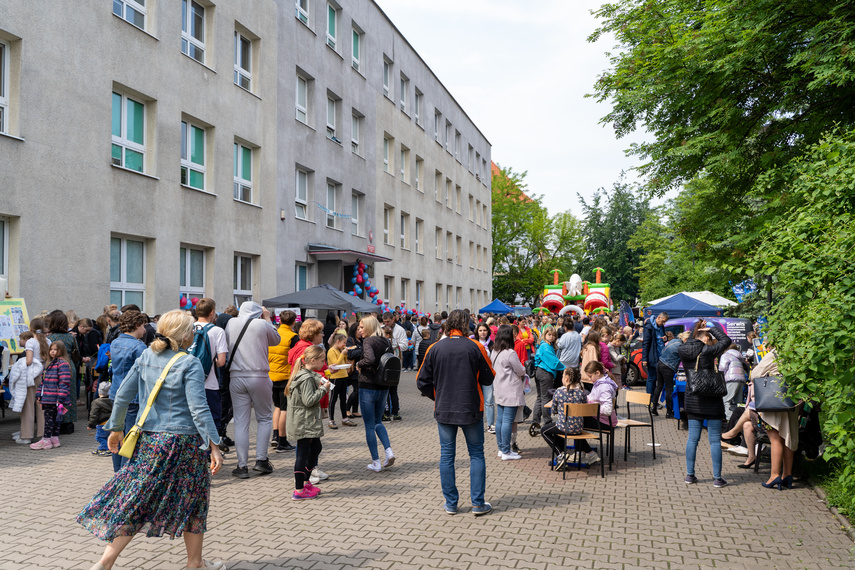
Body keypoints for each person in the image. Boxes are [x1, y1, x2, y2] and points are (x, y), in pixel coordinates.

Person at [77, 310, 224, 570]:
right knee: (194, 501)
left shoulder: (147, 356)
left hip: (150, 442)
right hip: (184, 444)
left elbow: (122, 394)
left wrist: (116, 428)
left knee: (137, 500)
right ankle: (194, 564)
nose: (193, 334)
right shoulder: (189, 363)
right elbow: (199, 410)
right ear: (184, 335)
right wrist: (215, 445)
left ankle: (104, 562)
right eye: (191, 330)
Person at [417, 309, 496, 516]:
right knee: (476, 454)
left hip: (444, 408)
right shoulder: (476, 347)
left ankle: (451, 503)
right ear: (465, 325)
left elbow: (421, 381)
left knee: (446, 456)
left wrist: (437, 396)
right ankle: (478, 503)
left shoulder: (434, 348)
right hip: (471, 407)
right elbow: (489, 378)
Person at [225, 301, 281, 479]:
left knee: (241, 421)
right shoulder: (262, 324)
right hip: (259, 375)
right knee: (264, 418)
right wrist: (267, 317)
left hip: (236, 376)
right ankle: (261, 460)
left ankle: (242, 466)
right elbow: (276, 340)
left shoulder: (231, 323)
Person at [678, 319, 731, 488]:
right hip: (712, 399)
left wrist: (698, 329)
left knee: (693, 439)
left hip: (693, 398)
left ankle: (690, 475)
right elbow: (726, 341)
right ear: (706, 338)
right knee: (714, 440)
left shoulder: (683, 350)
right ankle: (717, 478)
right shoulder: (708, 351)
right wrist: (712, 328)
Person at [286, 345, 332, 500]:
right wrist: (323, 390)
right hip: (303, 421)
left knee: (316, 447)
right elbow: (308, 400)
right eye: (322, 360)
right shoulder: (305, 378)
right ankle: (299, 490)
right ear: (313, 360)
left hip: (306, 420)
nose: (323, 363)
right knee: (302, 454)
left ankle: (305, 483)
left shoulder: (306, 374)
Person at [752, 350, 799, 490]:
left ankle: (774, 475)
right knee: (788, 436)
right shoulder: (798, 352)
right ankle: (787, 475)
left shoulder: (775, 354)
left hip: (774, 402)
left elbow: (755, 374)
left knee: (775, 439)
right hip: (791, 402)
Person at [109, 310, 149, 472]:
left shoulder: (115, 342)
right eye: (144, 326)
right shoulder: (139, 347)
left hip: (116, 393)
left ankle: (117, 471)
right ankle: (127, 473)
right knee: (131, 438)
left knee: (117, 433)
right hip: (134, 396)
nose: (145, 330)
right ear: (137, 325)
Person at [355, 316, 396, 472]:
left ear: (369, 327)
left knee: (369, 425)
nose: (359, 330)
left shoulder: (368, 342)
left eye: (361, 327)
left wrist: (359, 364)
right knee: (378, 421)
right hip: (383, 386)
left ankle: (376, 462)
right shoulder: (385, 341)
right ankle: (388, 450)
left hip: (368, 386)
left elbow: (369, 359)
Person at [542, 367, 595, 468]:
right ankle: (563, 456)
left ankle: (561, 454)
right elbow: (585, 407)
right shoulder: (581, 393)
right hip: (579, 428)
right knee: (557, 429)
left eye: (562, 376)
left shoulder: (559, 392)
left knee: (544, 431)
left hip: (564, 427)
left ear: (566, 379)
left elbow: (554, 410)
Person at [193, 299, 228, 449]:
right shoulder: (217, 331)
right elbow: (221, 361)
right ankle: (208, 452)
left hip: (188, 382)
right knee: (211, 420)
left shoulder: (188, 327)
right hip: (209, 383)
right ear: (212, 312)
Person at [489, 325, 525, 460]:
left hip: (499, 389)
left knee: (500, 420)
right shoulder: (510, 353)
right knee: (507, 422)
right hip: (510, 391)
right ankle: (506, 451)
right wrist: (524, 370)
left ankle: (501, 448)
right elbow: (520, 370)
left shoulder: (494, 351)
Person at [29, 340, 73, 450]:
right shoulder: (49, 364)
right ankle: (54, 438)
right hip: (49, 397)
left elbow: (64, 382)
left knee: (51, 419)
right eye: (51, 349)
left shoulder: (62, 364)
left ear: (61, 351)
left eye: (55, 350)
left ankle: (46, 439)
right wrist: (39, 394)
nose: (52, 352)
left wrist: (60, 398)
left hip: (55, 398)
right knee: (54, 418)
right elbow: (43, 382)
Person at [13, 319, 50, 445]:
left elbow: (28, 361)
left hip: (32, 376)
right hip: (45, 375)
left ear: (31, 328)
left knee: (28, 406)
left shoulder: (31, 342)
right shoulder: (48, 341)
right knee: (42, 407)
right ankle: (43, 434)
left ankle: (27, 436)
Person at [269, 310, 298, 453]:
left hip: (271, 375)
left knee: (277, 407)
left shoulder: (273, 333)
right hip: (285, 376)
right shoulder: (293, 337)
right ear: (294, 322)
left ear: (280, 320)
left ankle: (275, 435)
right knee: (285, 408)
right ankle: (282, 440)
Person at [46, 310, 81, 427]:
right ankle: (68, 422)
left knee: (55, 396)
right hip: (69, 367)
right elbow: (77, 355)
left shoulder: (50, 338)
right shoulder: (71, 337)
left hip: (54, 369)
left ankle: (57, 422)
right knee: (69, 396)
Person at [532, 326, 564, 429]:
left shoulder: (544, 345)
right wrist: (565, 368)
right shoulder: (545, 346)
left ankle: (536, 421)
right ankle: (547, 422)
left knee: (540, 398)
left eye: (553, 335)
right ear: (545, 334)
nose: (551, 337)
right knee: (545, 398)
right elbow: (554, 363)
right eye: (549, 335)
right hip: (545, 373)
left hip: (540, 372)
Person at [653, 331, 688, 417]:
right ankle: (669, 412)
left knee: (659, 386)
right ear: (686, 339)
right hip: (668, 368)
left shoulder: (673, 341)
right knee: (669, 390)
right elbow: (685, 360)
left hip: (660, 363)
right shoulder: (681, 346)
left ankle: (653, 408)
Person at [327, 331, 356, 428]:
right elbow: (336, 364)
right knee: (333, 399)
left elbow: (343, 361)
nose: (345, 345)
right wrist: (343, 354)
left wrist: (346, 354)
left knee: (343, 399)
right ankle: (331, 420)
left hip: (344, 376)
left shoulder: (340, 350)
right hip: (335, 377)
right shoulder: (332, 351)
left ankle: (345, 418)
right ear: (338, 341)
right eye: (344, 342)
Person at [382, 312, 408, 421]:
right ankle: (388, 410)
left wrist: (393, 345)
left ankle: (394, 411)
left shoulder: (400, 330)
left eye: (388, 321)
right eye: (384, 322)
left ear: (393, 319)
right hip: (384, 364)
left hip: (395, 364)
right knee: (386, 389)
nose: (386, 323)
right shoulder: (381, 329)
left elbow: (405, 345)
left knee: (393, 389)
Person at [472, 323, 495, 433]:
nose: (482, 332)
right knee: (476, 400)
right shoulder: (473, 343)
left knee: (489, 401)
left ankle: (490, 425)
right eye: (480, 330)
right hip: (475, 375)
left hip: (487, 376)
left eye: (484, 330)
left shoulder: (492, 344)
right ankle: (477, 424)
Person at [641, 312, 669, 395]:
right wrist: (644, 359)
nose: (663, 323)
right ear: (659, 317)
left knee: (658, 379)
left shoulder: (661, 327)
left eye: (665, 322)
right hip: (652, 356)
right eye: (663, 321)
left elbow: (664, 338)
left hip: (661, 357)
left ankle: (654, 400)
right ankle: (649, 400)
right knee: (651, 378)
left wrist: (665, 338)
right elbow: (646, 343)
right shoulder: (649, 327)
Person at [719, 343, 749, 419]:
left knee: (726, 400)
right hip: (741, 379)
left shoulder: (725, 355)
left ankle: (729, 419)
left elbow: (722, 368)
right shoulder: (738, 356)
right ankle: (738, 419)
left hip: (731, 379)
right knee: (738, 402)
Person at [88, 381, 113, 456]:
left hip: (101, 424)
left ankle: (107, 448)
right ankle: (101, 448)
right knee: (107, 437)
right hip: (110, 423)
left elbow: (93, 414)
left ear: (99, 392)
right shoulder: (112, 401)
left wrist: (90, 424)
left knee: (99, 437)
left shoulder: (96, 402)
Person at [344, 322, 363, 420]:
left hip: (360, 368)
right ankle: (347, 409)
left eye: (360, 329)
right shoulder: (350, 340)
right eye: (358, 330)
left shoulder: (362, 340)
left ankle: (355, 410)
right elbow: (350, 354)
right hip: (353, 369)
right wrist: (362, 350)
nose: (360, 331)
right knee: (357, 390)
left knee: (358, 390)